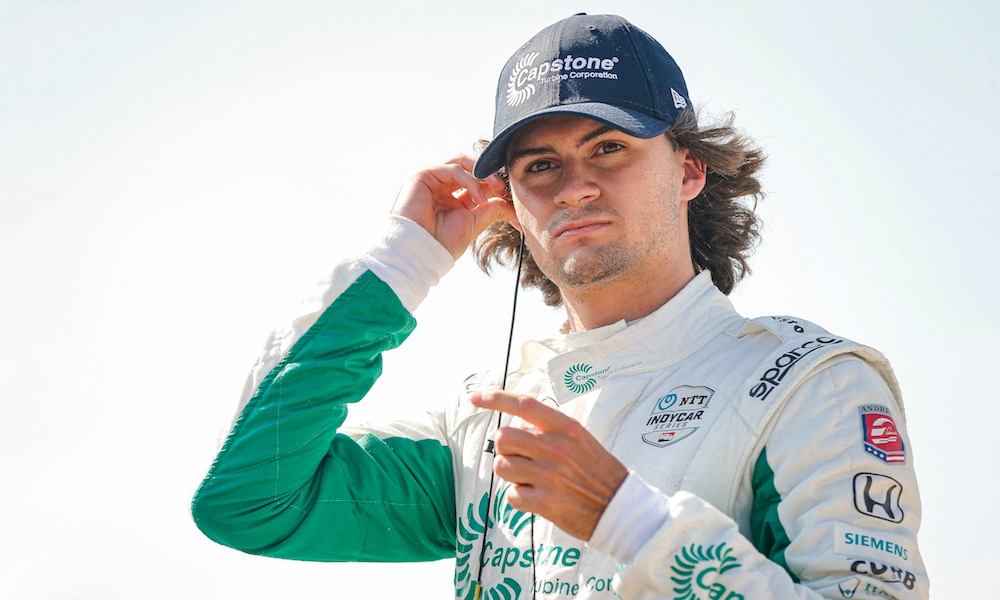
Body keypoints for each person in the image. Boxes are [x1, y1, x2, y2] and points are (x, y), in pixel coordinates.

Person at [191, 13, 927, 600]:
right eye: (540, 166)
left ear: (689, 171)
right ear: (510, 204)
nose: (573, 187)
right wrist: (403, 260)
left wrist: (632, 524)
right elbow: (250, 499)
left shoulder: (808, 384)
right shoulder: (485, 423)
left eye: (608, 148)